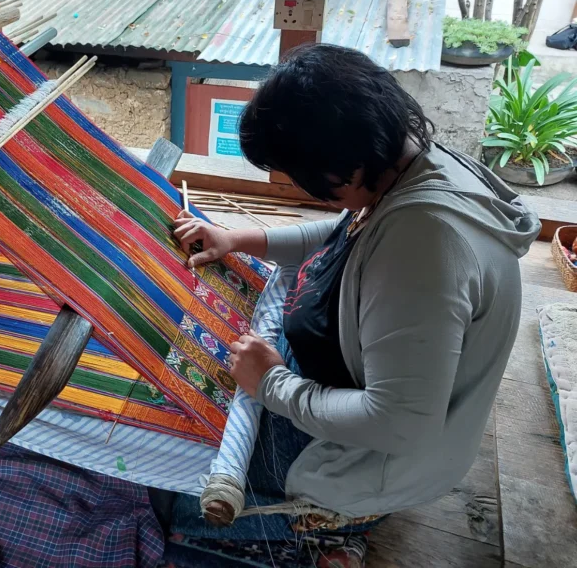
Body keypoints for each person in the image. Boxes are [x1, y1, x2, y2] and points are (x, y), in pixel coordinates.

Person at [169, 44, 540, 564]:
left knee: (176, 480)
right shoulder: (408, 161)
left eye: (298, 176)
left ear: (343, 166)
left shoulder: (421, 246)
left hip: (370, 460)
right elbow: (345, 234)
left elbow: (397, 422)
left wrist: (270, 384)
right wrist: (239, 238)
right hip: (368, 399)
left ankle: (326, 527)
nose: (299, 188)